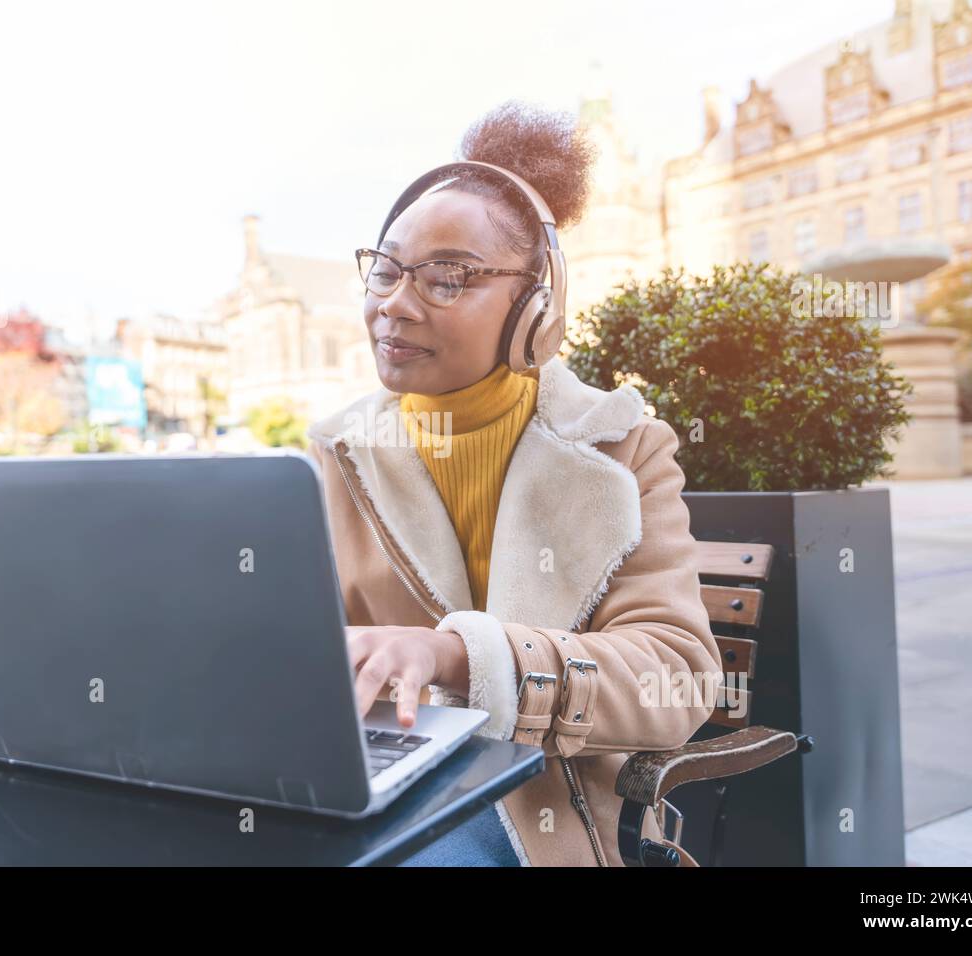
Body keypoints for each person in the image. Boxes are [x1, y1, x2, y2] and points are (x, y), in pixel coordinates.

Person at [304, 101, 722, 867]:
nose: (393, 302)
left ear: (537, 309)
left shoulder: (624, 448)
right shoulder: (336, 454)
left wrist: (460, 657)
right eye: (388, 271)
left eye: (446, 278)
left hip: (541, 806)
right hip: (368, 775)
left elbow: (678, 677)